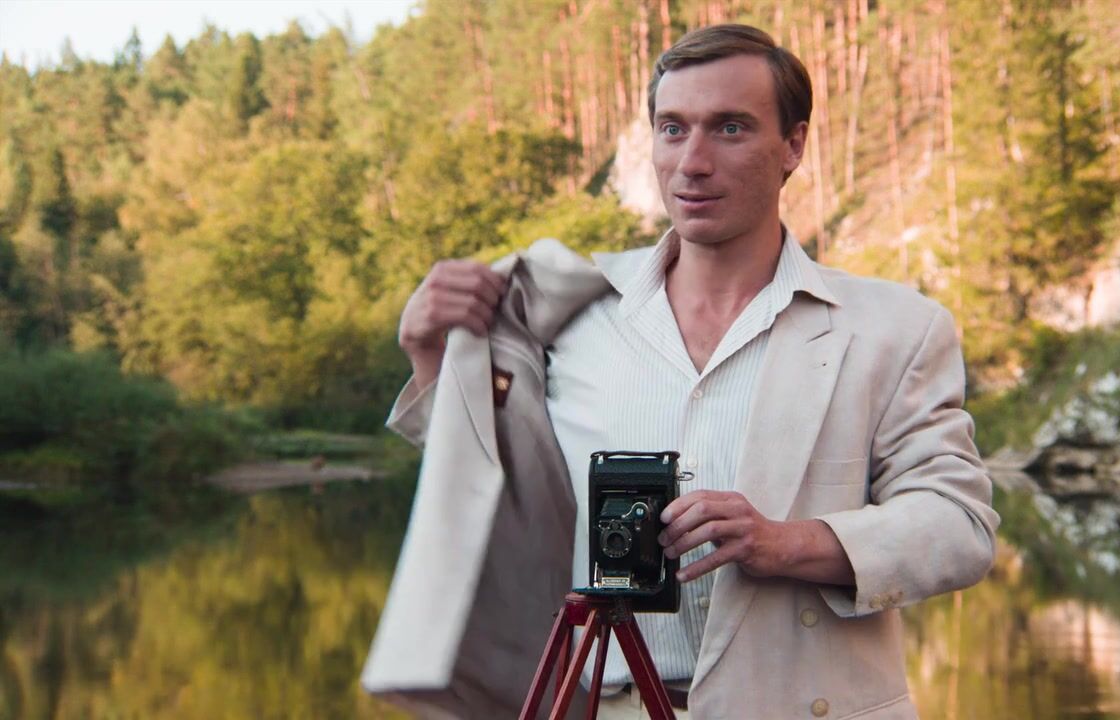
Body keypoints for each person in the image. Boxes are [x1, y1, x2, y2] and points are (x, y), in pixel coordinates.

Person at [362, 24, 999, 720]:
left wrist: (785, 542)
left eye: (730, 128)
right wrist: (430, 354)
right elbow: (487, 485)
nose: (692, 162)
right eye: (673, 129)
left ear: (793, 145)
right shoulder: (569, 318)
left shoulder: (896, 328)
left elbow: (958, 525)